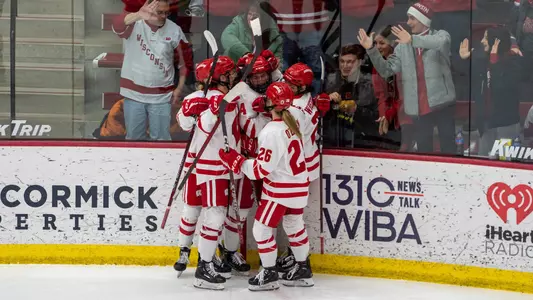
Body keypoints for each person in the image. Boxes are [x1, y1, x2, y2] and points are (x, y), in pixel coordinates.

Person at [218, 82, 314, 291]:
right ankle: (303, 269)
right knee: (294, 225)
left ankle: (269, 273)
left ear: (271, 103)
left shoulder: (271, 131)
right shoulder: (295, 119)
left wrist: (237, 161)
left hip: (280, 191)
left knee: (261, 229)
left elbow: (261, 170)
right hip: (299, 187)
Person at [357, 2, 457, 154]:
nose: (408, 22)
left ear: (423, 20)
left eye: (412, 18)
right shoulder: (402, 46)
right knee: (424, 150)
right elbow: (387, 70)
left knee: (448, 147)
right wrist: (371, 50)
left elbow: (440, 43)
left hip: (442, 103)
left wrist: (412, 40)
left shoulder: (441, 35)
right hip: (418, 108)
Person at [192, 55, 242, 290]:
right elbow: (204, 127)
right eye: (228, 73)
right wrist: (212, 111)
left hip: (225, 166)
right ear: (218, 77)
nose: (233, 76)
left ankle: (212, 261)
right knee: (215, 215)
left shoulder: (226, 96)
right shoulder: (210, 98)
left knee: (222, 215)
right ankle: (204, 267)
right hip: (213, 167)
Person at [112, 0, 192, 141]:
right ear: (148, 10)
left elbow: (185, 63)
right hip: (133, 94)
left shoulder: (174, 30)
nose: (163, 16)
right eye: (159, 12)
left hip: (162, 96)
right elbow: (117, 25)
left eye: (167, 13)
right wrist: (138, 15)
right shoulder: (134, 24)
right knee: (133, 139)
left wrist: (179, 88)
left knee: (161, 140)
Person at [173, 58, 211, 275]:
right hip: (195, 164)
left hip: (217, 165)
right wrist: (189, 114)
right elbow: (183, 123)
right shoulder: (193, 98)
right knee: (191, 211)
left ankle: (211, 253)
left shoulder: (223, 98)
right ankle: (184, 250)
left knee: (215, 214)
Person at [459, 27, 524, 156]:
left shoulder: (514, 62)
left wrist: (495, 63)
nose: (482, 41)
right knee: (483, 159)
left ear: (496, 43)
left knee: (504, 161)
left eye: (486, 38)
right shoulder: (483, 60)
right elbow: (466, 74)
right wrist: (465, 58)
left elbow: (500, 87)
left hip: (505, 124)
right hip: (486, 123)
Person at [323, 44, 380, 148]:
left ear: (360, 62)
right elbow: (318, 116)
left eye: (350, 62)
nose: (345, 66)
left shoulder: (371, 84)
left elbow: (377, 120)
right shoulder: (330, 81)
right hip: (332, 142)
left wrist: (357, 109)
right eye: (342, 61)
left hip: (362, 143)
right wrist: (326, 100)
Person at [372, 26, 414, 151]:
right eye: (375, 43)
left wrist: (389, 114)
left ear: (393, 43)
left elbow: (405, 96)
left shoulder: (404, 63)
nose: (378, 47)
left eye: (382, 43)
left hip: (406, 116)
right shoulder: (377, 66)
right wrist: (383, 114)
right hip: (390, 115)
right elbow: (380, 95)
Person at [221, 0, 283, 65]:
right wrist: (245, 53)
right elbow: (226, 36)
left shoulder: (273, 34)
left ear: (264, 19)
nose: (251, 18)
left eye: (256, 15)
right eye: (250, 14)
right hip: (234, 70)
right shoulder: (239, 22)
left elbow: (278, 63)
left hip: (261, 73)